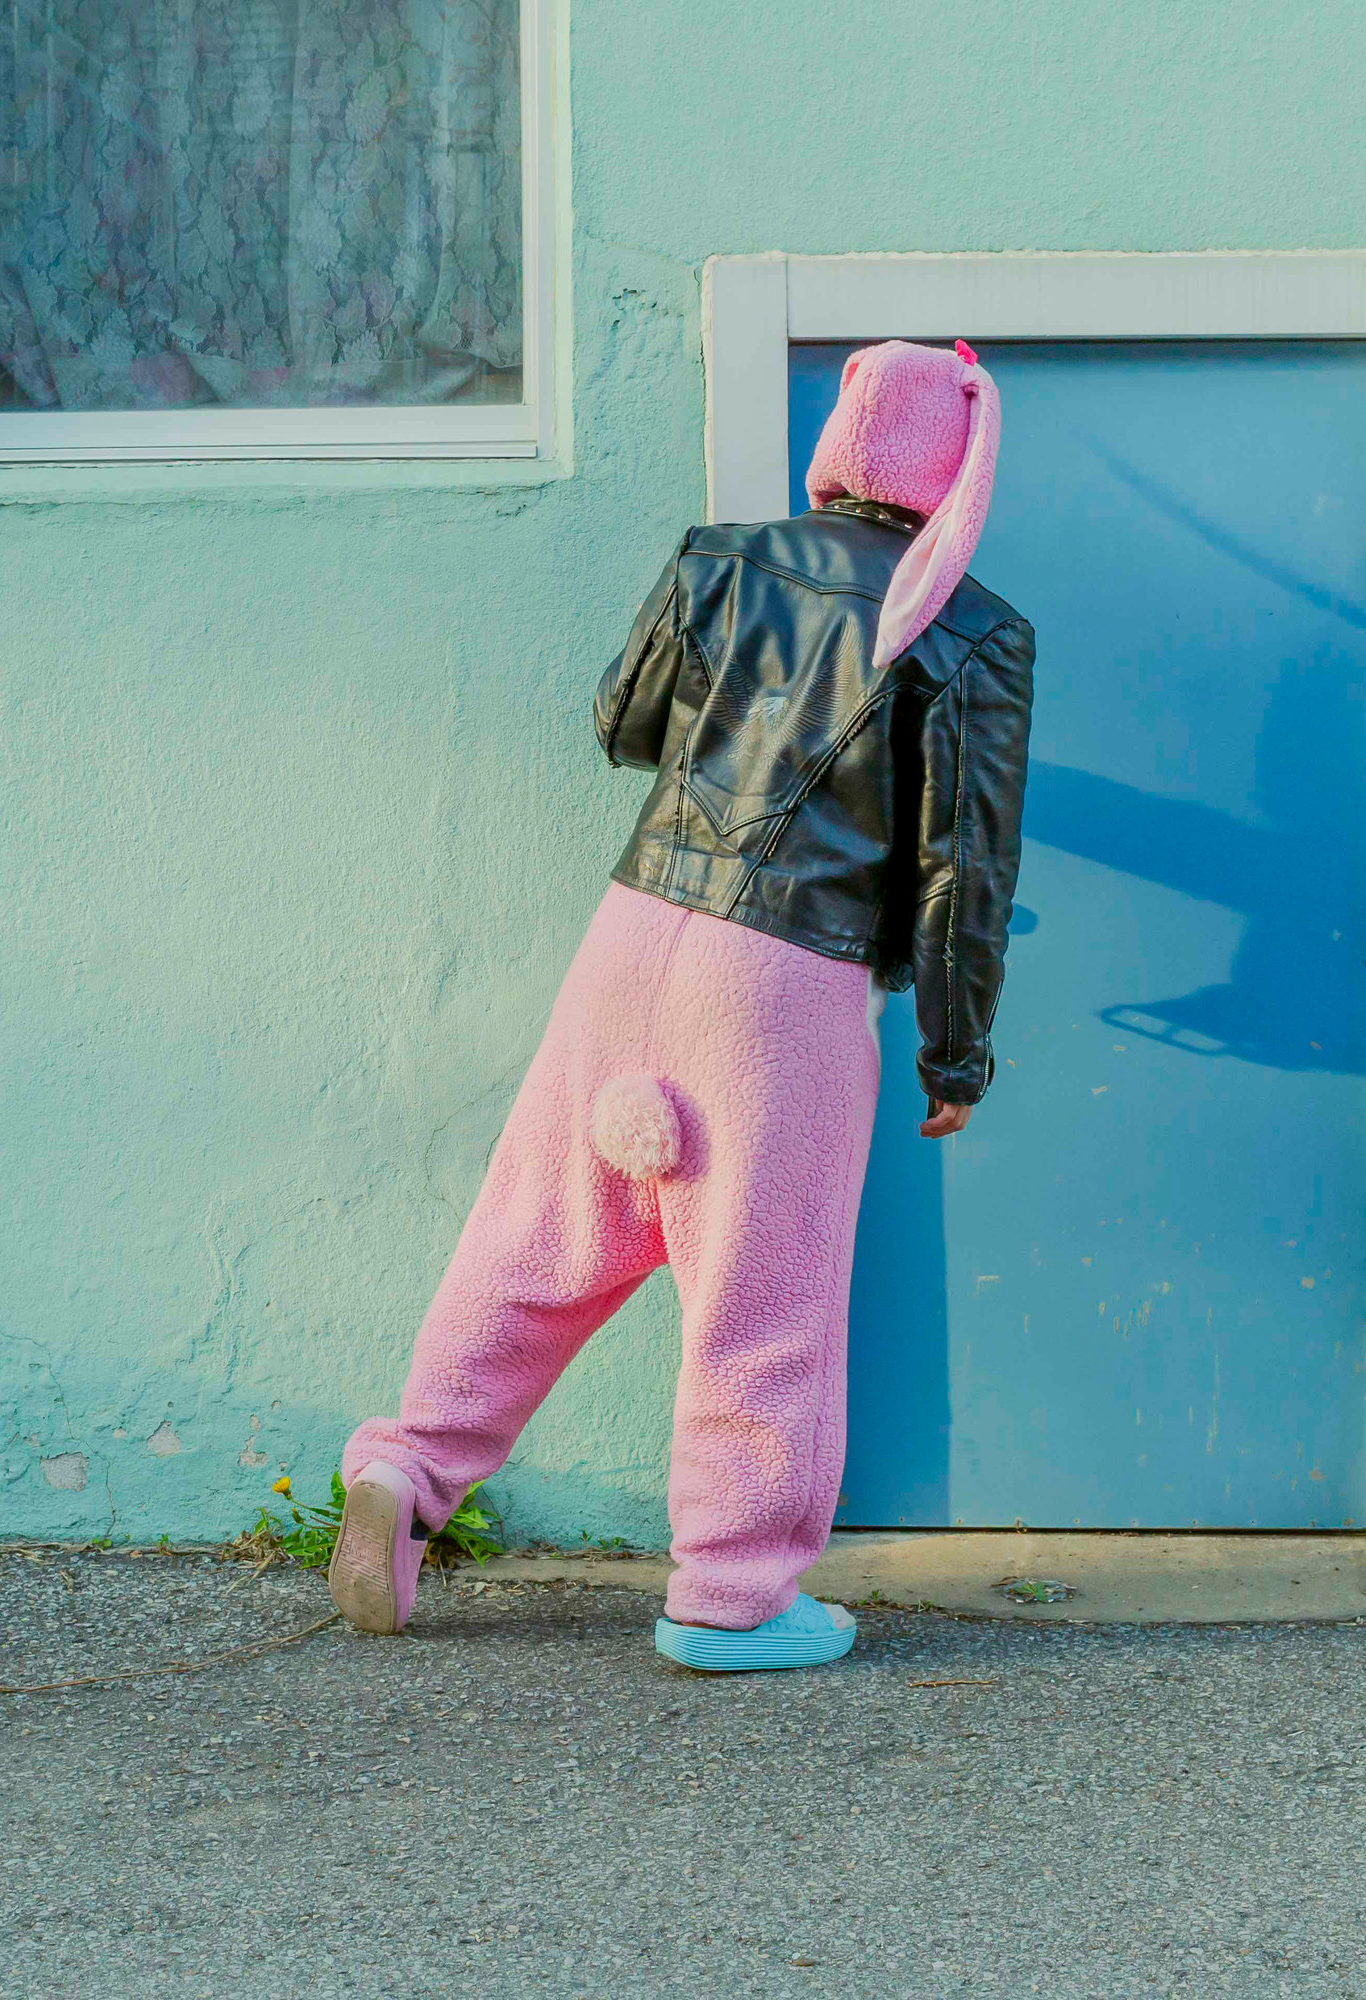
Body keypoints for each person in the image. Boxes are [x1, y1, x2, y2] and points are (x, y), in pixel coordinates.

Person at [331, 340, 1035, 1671]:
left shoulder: (723, 555)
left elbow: (624, 722)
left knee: (536, 1239)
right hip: (783, 980)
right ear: (955, 470)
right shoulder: (978, 629)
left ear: (840, 445)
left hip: (636, 932)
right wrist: (959, 1051)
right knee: (762, 1289)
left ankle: (408, 1472)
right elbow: (966, 869)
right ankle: (732, 1596)